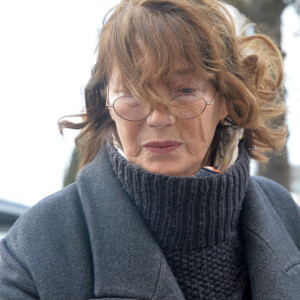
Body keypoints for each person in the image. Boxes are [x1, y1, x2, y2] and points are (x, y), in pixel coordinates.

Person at [1, 0, 299, 299]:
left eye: (185, 91)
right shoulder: (35, 246)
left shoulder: (286, 218)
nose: (159, 118)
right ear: (106, 102)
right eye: (133, 92)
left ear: (224, 99)